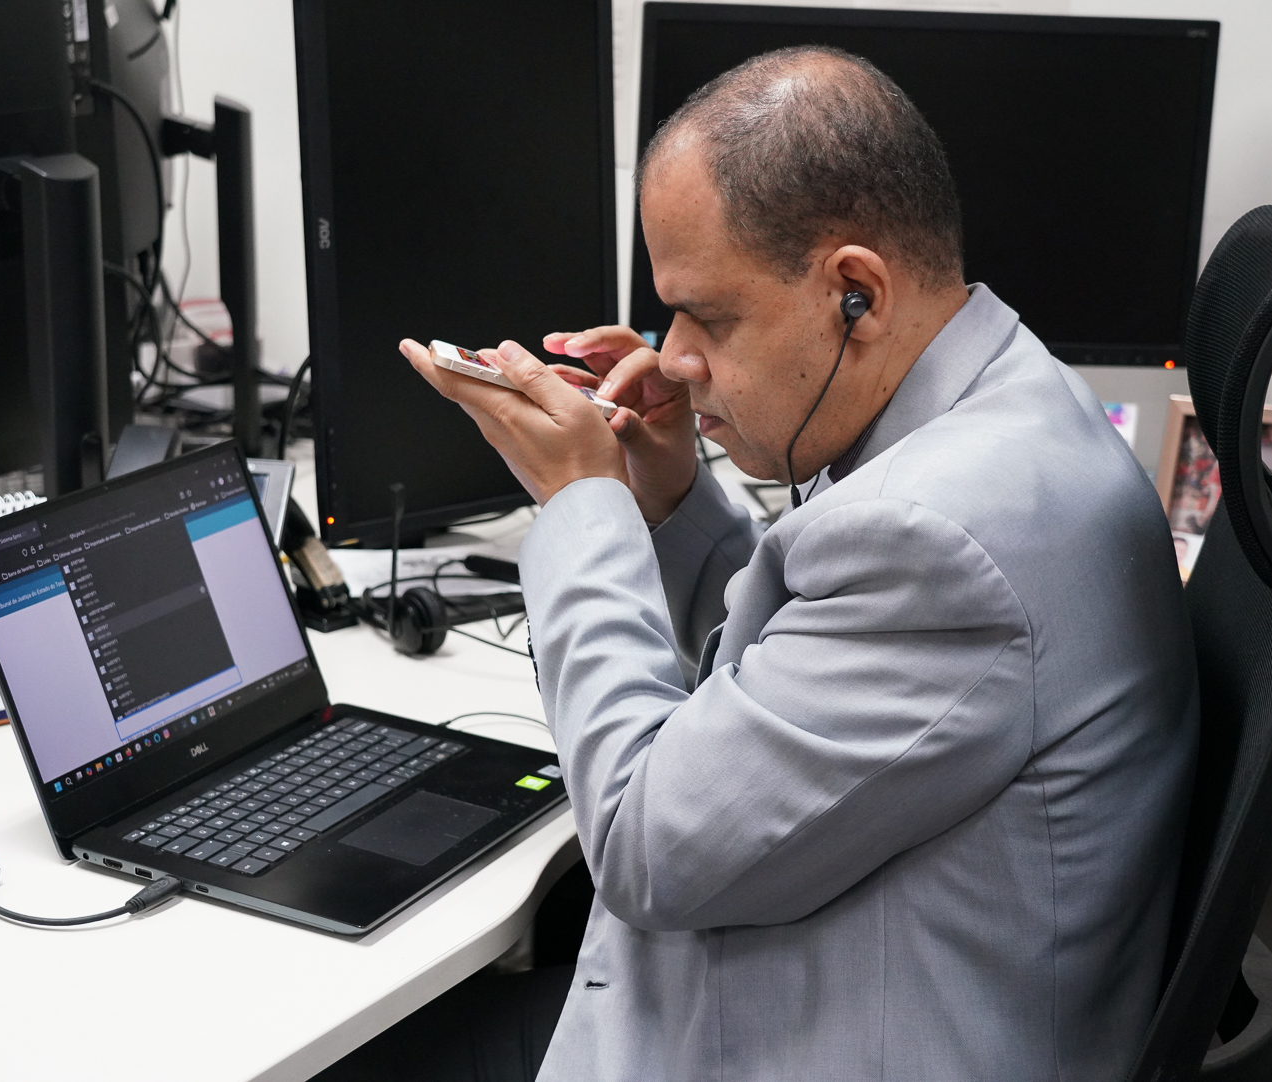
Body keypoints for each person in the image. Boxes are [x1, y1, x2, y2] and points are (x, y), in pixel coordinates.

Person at [327, 45, 1196, 1082]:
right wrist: (671, 497)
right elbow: (800, 655)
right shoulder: (990, 398)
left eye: (712, 314)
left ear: (855, 292)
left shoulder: (946, 536)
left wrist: (581, 502)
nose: (675, 353)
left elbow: (646, 845)